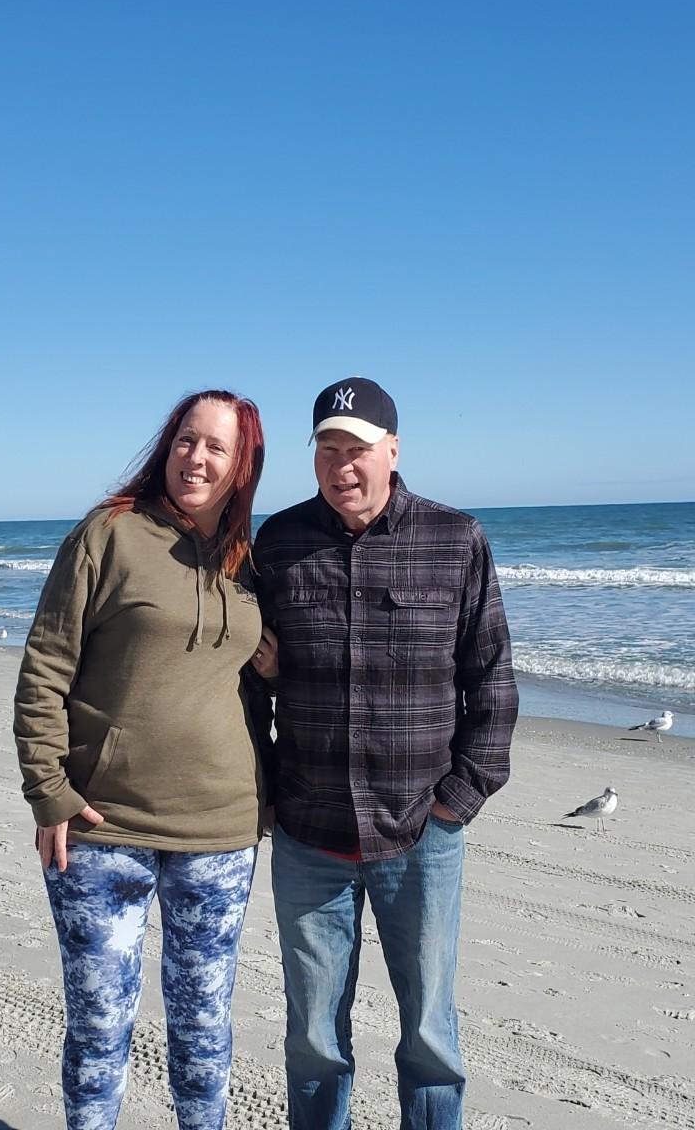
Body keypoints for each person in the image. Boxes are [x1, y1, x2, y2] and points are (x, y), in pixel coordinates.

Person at [250, 376, 518, 1130]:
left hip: (420, 831)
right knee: (313, 1038)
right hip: (309, 831)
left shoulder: (455, 538)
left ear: (392, 450)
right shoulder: (279, 543)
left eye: (358, 449)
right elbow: (247, 675)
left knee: (429, 1034)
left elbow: (492, 678)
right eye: (328, 450)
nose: (343, 466)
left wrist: (459, 799)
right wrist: (262, 784)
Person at [13, 389, 274, 1130]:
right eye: (186, 440)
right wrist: (48, 791)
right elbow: (45, 668)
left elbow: (257, 683)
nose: (196, 458)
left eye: (217, 447)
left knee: (204, 1028)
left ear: (242, 465)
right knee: (100, 1027)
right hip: (104, 829)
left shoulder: (248, 562)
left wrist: (280, 679)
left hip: (219, 832)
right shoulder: (108, 535)